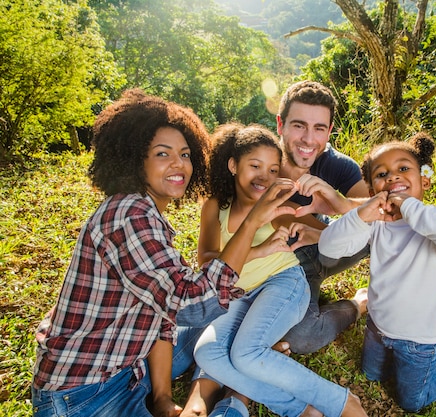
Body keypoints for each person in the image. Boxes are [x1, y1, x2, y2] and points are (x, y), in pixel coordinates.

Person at [30, 90, 298, 417]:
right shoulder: (128, 215)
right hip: (82, 395)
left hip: (128, 368)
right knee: (211, 318)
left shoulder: (149, 213)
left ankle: (243, 362)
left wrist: (161, 398)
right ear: (133, 158)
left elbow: (163, 313)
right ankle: (238, 397)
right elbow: (191, 303)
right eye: (162, 154)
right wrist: (254, 220)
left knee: (221, 324)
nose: (179, 164)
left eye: (185, 154)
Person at [190, 122, 367, 417]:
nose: (264, 177)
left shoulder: (278, 205)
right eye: (255, 165)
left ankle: (342, 402)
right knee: (206, 352)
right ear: (233, 165)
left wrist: (335, 207)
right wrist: (259, 250)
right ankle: (302, 409)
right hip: (239, 294)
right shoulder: (215, 205)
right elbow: (208, 261)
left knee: (245, 353)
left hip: (283, 284)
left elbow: (333, 235)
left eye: (274, 170)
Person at [318, 132, 436, 412]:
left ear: (424, 181)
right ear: (373, 191)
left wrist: (411, 208)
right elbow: (329, 247)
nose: (393, 176)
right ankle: (397, 359)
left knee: (412, 401)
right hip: (377, 328)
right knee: (371, 375)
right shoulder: (377, 224)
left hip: (418, 342)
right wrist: (363, 213)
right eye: (382, 173)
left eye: (403, 168)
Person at [275, 80, 371, 354]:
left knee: (382, 230)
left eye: (319, 128)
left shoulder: (337, 164)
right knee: (300, 339)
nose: (308, 139)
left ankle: (384, 307)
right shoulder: (260, 160)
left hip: (328, 248)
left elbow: (382, 208)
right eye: (299, 125)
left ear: (329, 131)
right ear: (281, 125)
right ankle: (355, 306)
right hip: (292, 264)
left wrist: (340, 203)